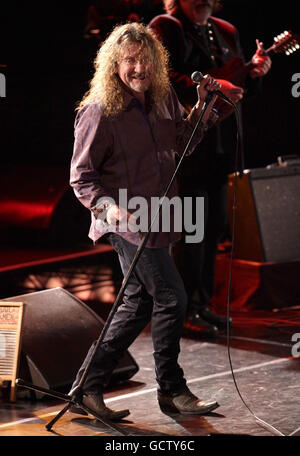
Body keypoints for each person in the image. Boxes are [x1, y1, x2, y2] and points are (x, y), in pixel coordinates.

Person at [69, 22, 221, 420]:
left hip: (161, 216)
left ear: (157, 63)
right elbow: (80, 177)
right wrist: (110, 209)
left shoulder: (163, 96)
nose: (139, 69)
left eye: (146, 61)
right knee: (172, 297)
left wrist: (203, 105)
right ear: (114, 64)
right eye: (130, 61)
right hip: (126, 223)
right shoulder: (98, 110)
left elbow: (183, 144)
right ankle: (172, 390)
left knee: (136, 305)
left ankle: (87, 386)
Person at [149, 0, 272, 336]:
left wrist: (255, 73)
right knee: (191, 229)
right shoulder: (166, 26)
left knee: (214, 224)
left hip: (219, 143)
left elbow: (241, 87)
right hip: (186, 140)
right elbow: (161, 78)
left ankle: (201, 305)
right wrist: (213, 87)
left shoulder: (226, 30)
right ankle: (183, 311)